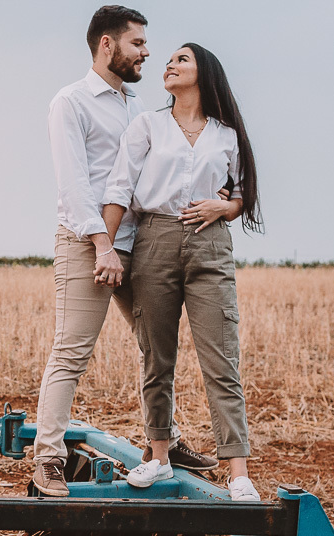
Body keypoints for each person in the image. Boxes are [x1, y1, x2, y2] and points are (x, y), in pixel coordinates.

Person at [32, 6, 218, 498]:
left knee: (155, 344)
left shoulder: (140, 109)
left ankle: (166, 439)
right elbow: (74, 186)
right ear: (108, 45)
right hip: (88, 243)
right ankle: (47, 459)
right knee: (72, 349)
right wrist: (103, 247)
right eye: (138, 43)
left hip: (143, 244)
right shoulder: (69, 102)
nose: (147, 52)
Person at [102, 43, 263, 500]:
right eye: (168, 61)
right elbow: (119, 187)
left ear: (204, 72)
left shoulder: (226, 134)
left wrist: (224, 205)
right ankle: (159, 457)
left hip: (210, 246)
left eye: (181, 60)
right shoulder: (147, 125)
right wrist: (106, 249)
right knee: (157, 355)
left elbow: (244, 193)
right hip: (155, 239)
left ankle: (238, 473)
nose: (169, 65)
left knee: (221, 359)